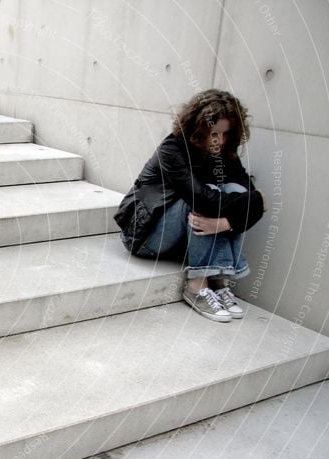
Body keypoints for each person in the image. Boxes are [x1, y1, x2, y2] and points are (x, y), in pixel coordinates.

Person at [114, 89, 267, 322]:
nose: (219, 140)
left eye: (226, 134)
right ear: (198, 127)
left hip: (183, 236)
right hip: (146, 234)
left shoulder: (224, 152)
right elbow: (203, 200)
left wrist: (226, 223)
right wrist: (256, 203)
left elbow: (246, 192)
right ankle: (196, 286)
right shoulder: (172, 149)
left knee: (235, 191)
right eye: (213, 133)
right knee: (209, 198)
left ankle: (217, 281)